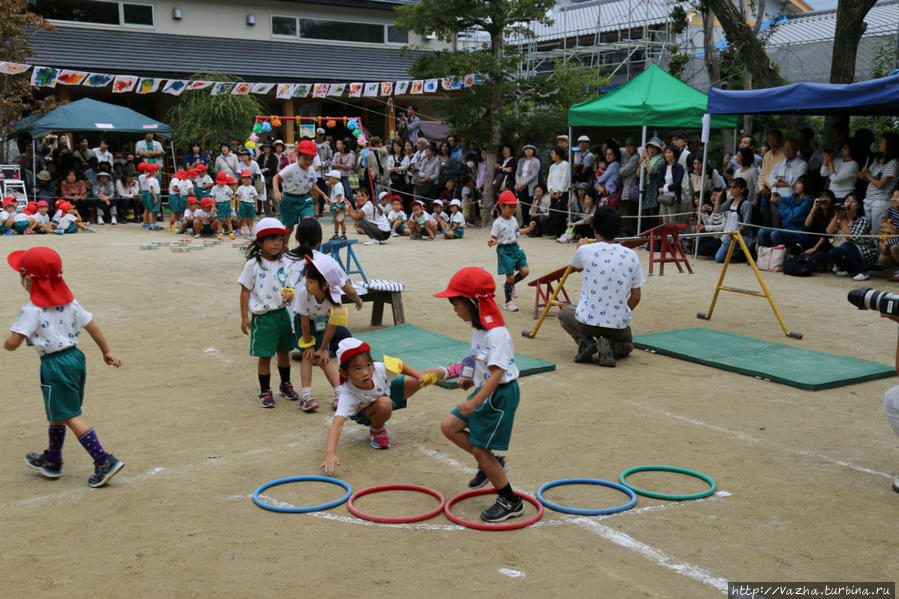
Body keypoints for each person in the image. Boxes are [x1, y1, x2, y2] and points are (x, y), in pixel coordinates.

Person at [4, 247, 124, 487]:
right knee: (58, 410)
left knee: (69, 414)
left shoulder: (32, 310)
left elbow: (12, 344)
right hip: (76, 359)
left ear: (27, 280)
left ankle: (103, 459)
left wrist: (8, 341)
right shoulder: (71, 303)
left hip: (54, 364)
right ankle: (54, 460)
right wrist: (106, 351)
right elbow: (93, 327)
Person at [434, 266, 525, 521]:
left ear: (473, 302)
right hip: (487, 393)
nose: (455, 310)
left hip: (500, 396)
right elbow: (477, 359)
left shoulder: (496, 333)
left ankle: (510, 501)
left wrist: (474, 402)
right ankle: (491, 461)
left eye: (456, 304)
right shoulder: (481, 328)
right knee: (449, 426)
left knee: (480, 451)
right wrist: (466, 376)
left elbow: (497, 373)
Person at [321, 338, 435, 472]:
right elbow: (337, 423)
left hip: (387, 393)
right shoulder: (347, 394)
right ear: (344, 373)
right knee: (384, 404)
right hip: (367, 412)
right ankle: (377, 429)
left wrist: (419, 376)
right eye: (357, 368)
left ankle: (454, 371)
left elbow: (400, 365)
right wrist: (330, 453)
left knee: (430, 374)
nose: (365, 372)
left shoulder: (379, 369)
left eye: (368, 365)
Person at [559, 207, 644, 367]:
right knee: (628, 344)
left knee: (564, 313)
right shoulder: (632, 255)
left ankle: (586, 342)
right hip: (617, 324)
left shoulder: (585, 250)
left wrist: (579, 247)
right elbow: (636, 297)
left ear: (595, 229)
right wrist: (623, 312)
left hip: (588, 323)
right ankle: (610, 346)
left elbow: (576, 268)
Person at [238, 218, 299, 408]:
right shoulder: (252, 266)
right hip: (263, 318)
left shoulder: (283, 262)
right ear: (259, 242)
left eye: (280, 240)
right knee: (265, 355)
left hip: (282, 315)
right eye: (271, 239)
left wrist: (289, 294)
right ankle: (265, 391)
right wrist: (244, 317)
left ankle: (285, 384)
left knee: (284, 353)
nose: (276, 244)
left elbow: (288, 286)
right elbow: (245, 291)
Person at [488, 191, 535, 312]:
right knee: (509, 277)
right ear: (501, 206)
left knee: (525, 271)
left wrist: (529, 229)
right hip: (505, 250)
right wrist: (492, 241)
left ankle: (510, 284)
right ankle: (508, 302)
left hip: (516, 248)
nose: (513, 209)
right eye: (510, 206)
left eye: (514, 206)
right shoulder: (497, 223)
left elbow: (517, 232)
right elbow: (493, 237)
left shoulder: (513, 219)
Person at [272, 140, 328, 241]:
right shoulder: (291, 168)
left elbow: (313, 185)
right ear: (297, 155)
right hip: (289, 199)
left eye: (311, 159)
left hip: (304, 198)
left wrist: (324, 195)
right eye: (305, 158)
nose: (308, 161)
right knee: (289, 227)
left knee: (308, 222)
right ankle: (284, 246)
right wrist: (277, 191)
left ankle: (306, 245)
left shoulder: (311, 170)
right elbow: (275, 178)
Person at [827, 192, 877, 281]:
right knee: (832, 252)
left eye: (853, 201)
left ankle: (863, 272)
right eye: (846, 201)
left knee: (846, 246)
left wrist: (842, 220)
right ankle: (849, 270)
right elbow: (829, 232)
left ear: (858, 206)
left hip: (865, 251)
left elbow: (851, 238)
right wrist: (836, 216)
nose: (849, 204)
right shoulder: (841, 217)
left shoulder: (863, 220)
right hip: (848, 250)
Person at [757, 175, 815, 249]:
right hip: (786, 230)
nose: (796, 185)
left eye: (800, 183)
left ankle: (780, 258)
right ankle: (763, 257)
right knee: (762, 232)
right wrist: (777, 197)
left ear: (807, 185)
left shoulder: (808, 202)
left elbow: (792, 217)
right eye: (797, 183)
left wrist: (780, 203)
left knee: (776, 234)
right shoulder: (794, 197)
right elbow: (783, 200)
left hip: (800, 234)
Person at [859, 132, 899, 234]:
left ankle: (880, 250)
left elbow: (880, 185)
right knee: (868, 231)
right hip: (869, 199)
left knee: (877, 232)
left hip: (880, 202)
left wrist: (867, 174)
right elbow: (870, 180)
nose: (880, 144)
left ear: (889, 145)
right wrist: (862, 175)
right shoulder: (877, 160)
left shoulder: (893, 163)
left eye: (882, 142)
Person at [706, 179, 753, 263]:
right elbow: (717, 211)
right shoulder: (731, 201)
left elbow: (746, 224)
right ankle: (736, 255)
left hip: (739, 237)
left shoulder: (746, 204)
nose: (731, 189)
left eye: (734, 187)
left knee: (725, 242)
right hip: (728, 236)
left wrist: (734, 233)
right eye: (730, 187)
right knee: (719, 258)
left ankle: (741, 253)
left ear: (742, 189)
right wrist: (718, 198)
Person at [656, 146, 685, 225]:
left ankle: (673, 237)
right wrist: (663, 187)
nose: (667, 155)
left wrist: (664, 188)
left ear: (674, 154)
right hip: (663, 197)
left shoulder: (679, 167)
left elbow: (677, 183)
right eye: (666, 153)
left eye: (669, 153)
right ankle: (666, 237)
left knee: (672, 221)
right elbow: (659, 180)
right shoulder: (664, 167)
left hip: (673, 197)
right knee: (664, 221)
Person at [546, 145, 570, 238]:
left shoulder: (565, 165)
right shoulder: (552, 166)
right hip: (553, 193)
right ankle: (555, 233)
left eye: (553, 153)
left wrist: (559, 191)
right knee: (553, 213)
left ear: (558, 154)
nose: (552, 155)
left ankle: (562, 233)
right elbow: (549, 179)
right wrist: (550, 190)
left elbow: (565, 179)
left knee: (561, 214)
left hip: (562, 193)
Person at [514, 144, 540, 227]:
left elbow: (533, 175)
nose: (528, 150)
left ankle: (530, 224)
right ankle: (524, 223)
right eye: (526, 149)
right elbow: (517, 173)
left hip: (530, 186)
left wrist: (523, 184)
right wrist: (518, 183)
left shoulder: (536, 161)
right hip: (521, 186)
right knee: (523, 205)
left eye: (530, 149)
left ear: (533, 151)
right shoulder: (521, 160)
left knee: (529, 204)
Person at [210, 171, 236, 240]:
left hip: (226, 203)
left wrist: (231, 206)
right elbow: (212, 197)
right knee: (220, 220)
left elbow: (230, 196)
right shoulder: (214, 188)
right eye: (220, 182)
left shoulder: (227, 188)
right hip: (219, 204)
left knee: (228, 220)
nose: (221, 184)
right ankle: (220, 232)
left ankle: (231, 232)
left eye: (223, 182)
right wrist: (213, 206)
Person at [137, 162, 162, 231]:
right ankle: (147, 223)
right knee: (147, 209)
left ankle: (152, 223)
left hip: (148, 193)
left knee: (149, 209)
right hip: (147, 193)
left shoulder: (150, 177)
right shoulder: (142, 176)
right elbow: (147, 177)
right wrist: (150, 172)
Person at [325, 169, 348, 241]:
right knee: (336, 220)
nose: (329, 179)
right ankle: (336, 234)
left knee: (340, 221)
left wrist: (338, 206)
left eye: (330, 177)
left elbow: (339, 196)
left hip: (339, 204)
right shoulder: (337, 184)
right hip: (337, 204)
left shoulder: (337, 186)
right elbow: (328, 183)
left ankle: (343, 235)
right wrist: (329, 182)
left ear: (335, 178)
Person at [257, 141, 279, 216]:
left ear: (270, 148)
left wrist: (267, 169)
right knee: (264, 198)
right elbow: (257, 166)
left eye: (267, 147)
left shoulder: (273, 157)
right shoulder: (261, 157)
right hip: (262, 179)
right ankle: (268, 214)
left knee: (274, 196)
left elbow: (274, 166)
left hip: (271, 179)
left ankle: (279, 212)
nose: (266, 148)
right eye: (264, 147)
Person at [236, 169, 258, 238]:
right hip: (243, 203)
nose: (246, 179)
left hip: (251, 204)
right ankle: (246, 231)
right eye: (244, 178)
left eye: (248, 178)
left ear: (251, 179)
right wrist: (238, 206)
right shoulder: (240, 188)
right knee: (244, 218)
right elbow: (238, 198)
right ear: (241, 179)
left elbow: (255, 198)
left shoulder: (253, 188)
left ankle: (251, 230)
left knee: (250, 218)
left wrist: (256, 207)